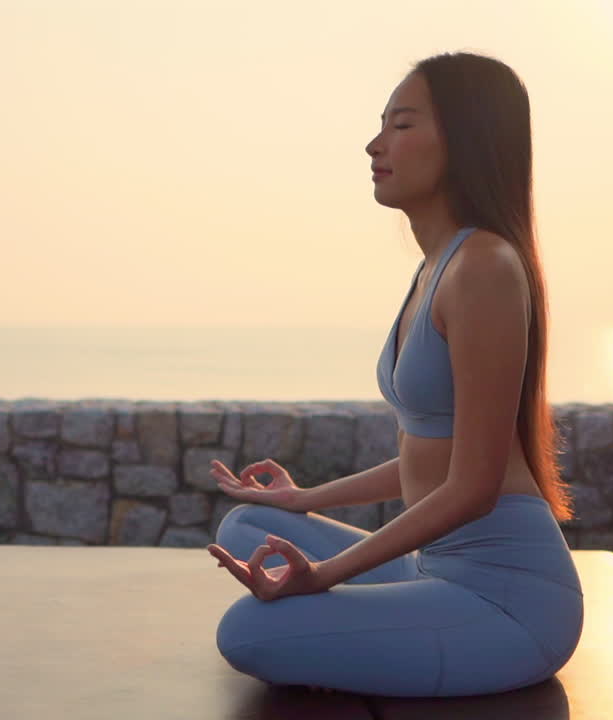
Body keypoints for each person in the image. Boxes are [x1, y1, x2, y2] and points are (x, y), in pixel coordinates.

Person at [205, 51, 583, 698]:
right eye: (382, 125)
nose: (376, 144)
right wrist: (303, 500)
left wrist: (325, 574)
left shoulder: (485, 269)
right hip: (434, 567)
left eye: (402, 126)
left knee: (246, 633)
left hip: (508, 604)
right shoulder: (440, 265)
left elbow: (473, 487)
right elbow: (425, 457)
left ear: (464, 139)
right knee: (246, 527)